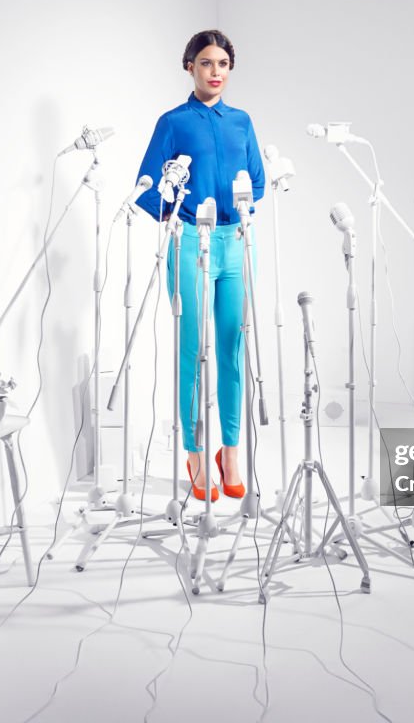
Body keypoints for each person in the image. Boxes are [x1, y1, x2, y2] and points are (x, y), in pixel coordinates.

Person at [134, 29, 265, 502]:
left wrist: (241, 205)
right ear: (190, 67)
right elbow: (148, 187)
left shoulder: (241, 121)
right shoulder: (173, 121)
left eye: (223, 64)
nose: (216, 72)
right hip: (189, 242)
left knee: (232, 348)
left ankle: (230, 450)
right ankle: (193, 450)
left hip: (234, 242)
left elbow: (259, 181)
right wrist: (179, 214)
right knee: (193, 347)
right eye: (207, 63)